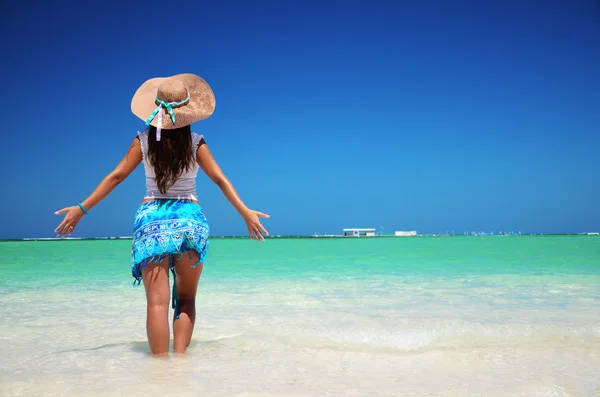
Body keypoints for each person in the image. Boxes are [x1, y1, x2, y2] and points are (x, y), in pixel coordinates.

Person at [54, 73, 269, 356]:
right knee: (187, 300)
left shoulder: (143, 141)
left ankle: (158, 373)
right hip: (189, 222)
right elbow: (220, 180)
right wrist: (245, 212)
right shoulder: (196, 143)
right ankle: (180, 365)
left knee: (156, 303)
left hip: (152, 221)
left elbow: (117, 176)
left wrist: (82, 209)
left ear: (156, 108)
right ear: (188, 111)